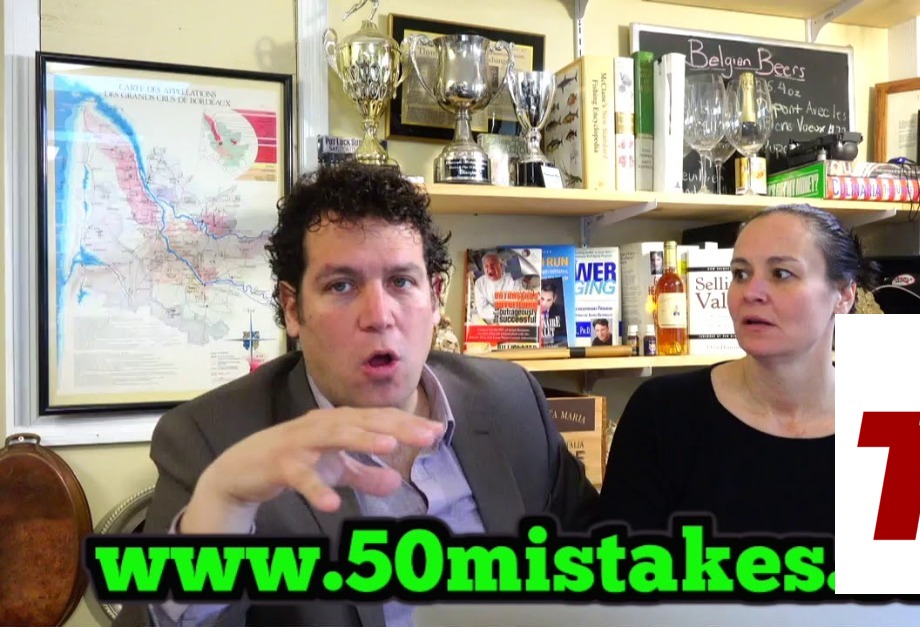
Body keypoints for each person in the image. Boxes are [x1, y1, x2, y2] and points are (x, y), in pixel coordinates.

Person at [114, 162, 598, 627]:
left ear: (435, 296)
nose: (379, 316)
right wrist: (221, 511)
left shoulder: (511, 400)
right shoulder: (211, 438)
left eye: (401, 282)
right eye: (342, 286)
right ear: (293, 309)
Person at [597, 203, 873, 536]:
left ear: (843, 295)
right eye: (741, 274)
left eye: (781, 274)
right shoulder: (662, 413)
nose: (751, 293)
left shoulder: (899, 422)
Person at [470, 250, 525, 323]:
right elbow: (482, 312)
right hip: (488, 324)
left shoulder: (513, 280)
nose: (490, 269)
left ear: (501, 265)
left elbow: (516, 307)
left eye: (493, 264)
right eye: (486, 266)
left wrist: (493, 307)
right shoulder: (479, 283)